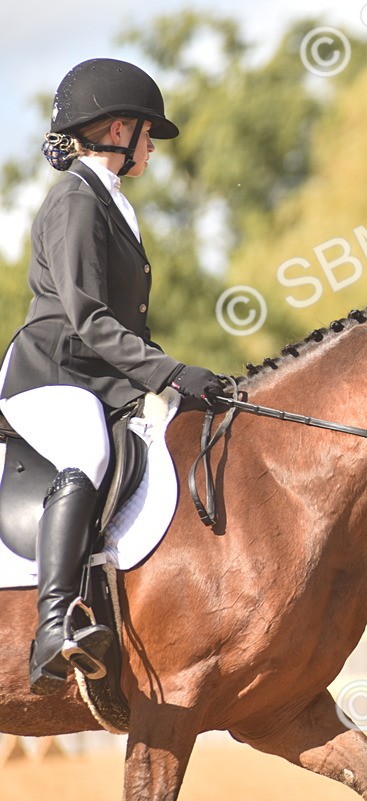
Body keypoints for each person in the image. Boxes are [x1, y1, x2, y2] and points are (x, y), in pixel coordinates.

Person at [0, 58, 227, 695]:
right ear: (119, 129)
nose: (152, 146)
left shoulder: (110, 200)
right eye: (148, 133)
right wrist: (169, 373)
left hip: (97, 377)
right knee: (88, 451)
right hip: (52, 373)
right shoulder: (76, 199)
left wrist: (178, 381)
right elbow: (89, 318)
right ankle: (53, 627)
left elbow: (126, 327)